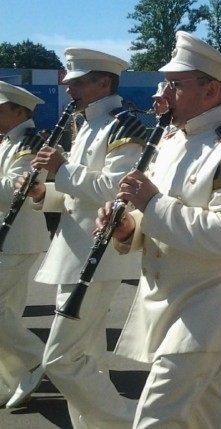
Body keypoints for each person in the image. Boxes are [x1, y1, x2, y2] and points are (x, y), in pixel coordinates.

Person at [100, 32, 221, 427]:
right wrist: (127, 228)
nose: (164, 93)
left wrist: (152, 203)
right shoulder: (172, 138)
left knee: (156, 419)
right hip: (171, 299)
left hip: (207, 305)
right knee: (205, 415)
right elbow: (153, 221)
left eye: (175, 85)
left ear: (211, 91)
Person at [21, 49, 146, 425]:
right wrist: (45, 193)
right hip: (75, 249)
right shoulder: (88, 122)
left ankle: (131, 421)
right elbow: (77, 189)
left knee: (59, 359)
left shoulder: (123, 125)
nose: (67, 85)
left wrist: (62, 170)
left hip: (99, 252)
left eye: (76, 80)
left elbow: (118, 189)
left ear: (102, 83)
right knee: (87, 358)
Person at [0, 83, 51, 408]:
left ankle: (34, 359)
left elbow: (15, 192)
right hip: (8, 238)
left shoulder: (30, 144)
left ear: (20, 112)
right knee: (9, 314)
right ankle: (14, 377)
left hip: (17, 238)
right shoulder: (9, 141)